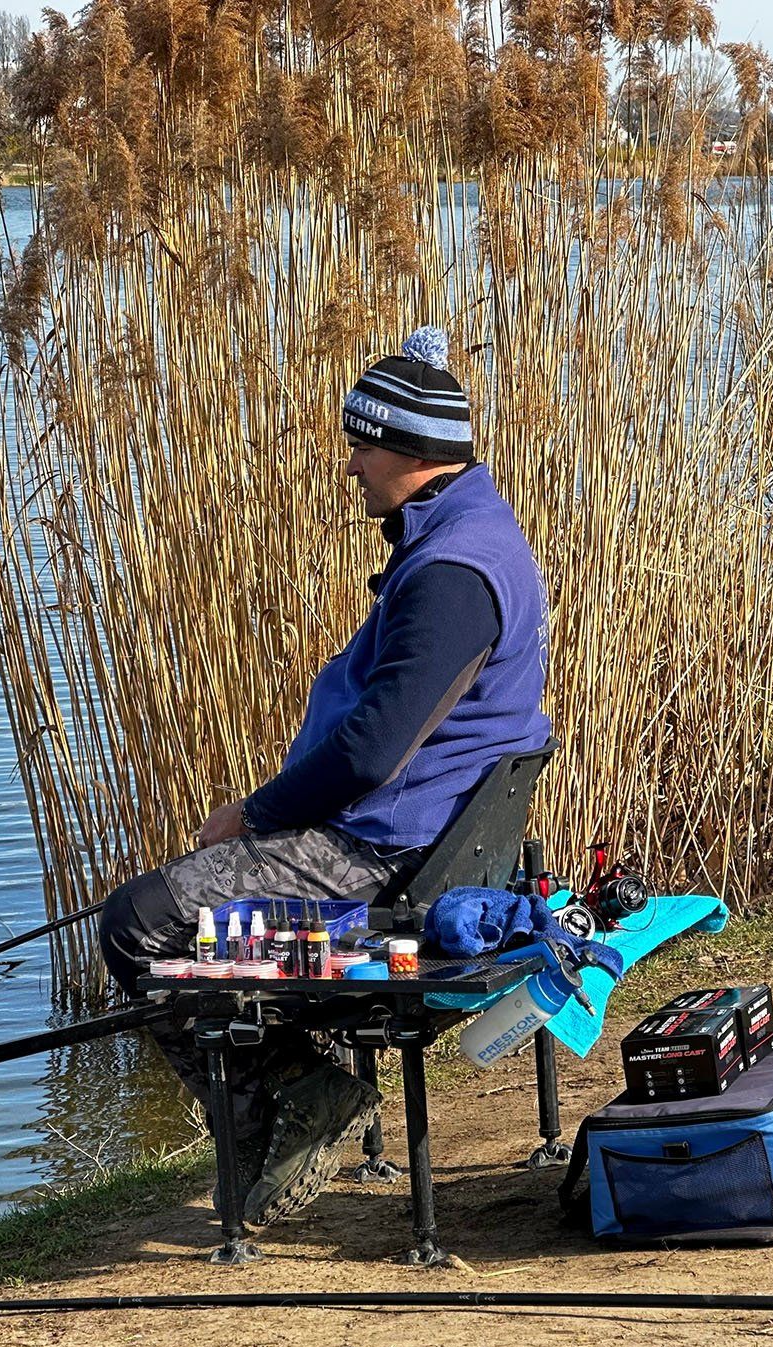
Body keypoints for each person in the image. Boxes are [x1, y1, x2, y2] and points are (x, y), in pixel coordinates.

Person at [98, 325, 551, 1231]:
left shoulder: (454, 573)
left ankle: (293, 1098)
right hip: (416, 837)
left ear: (410, 452)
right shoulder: (470, 530)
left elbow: (371, 755)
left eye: (360, 444)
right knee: (174, 918)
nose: (350, 466)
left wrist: (256, 814)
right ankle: (301, 1092)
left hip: (386, 856)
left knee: (139, 923)